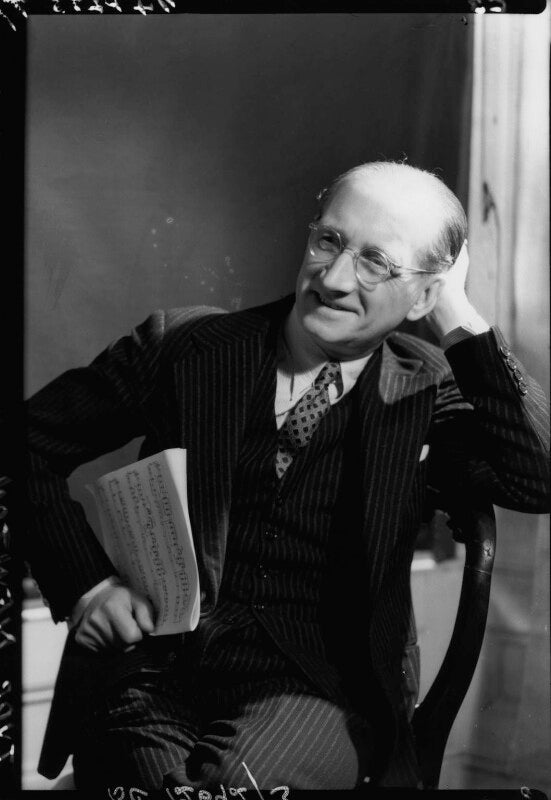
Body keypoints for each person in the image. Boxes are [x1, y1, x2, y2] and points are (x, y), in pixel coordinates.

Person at [18, 161, 549, 791]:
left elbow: (539, 476)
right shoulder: (184, 345)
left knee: (229, 786)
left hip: (320, 691)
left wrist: (458, 312)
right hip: (154, 672)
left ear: (424, 296)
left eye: (376, 263)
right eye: (329, 240)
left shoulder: (427, 390)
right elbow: (26, 444)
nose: (334, 278)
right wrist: (89, 587)